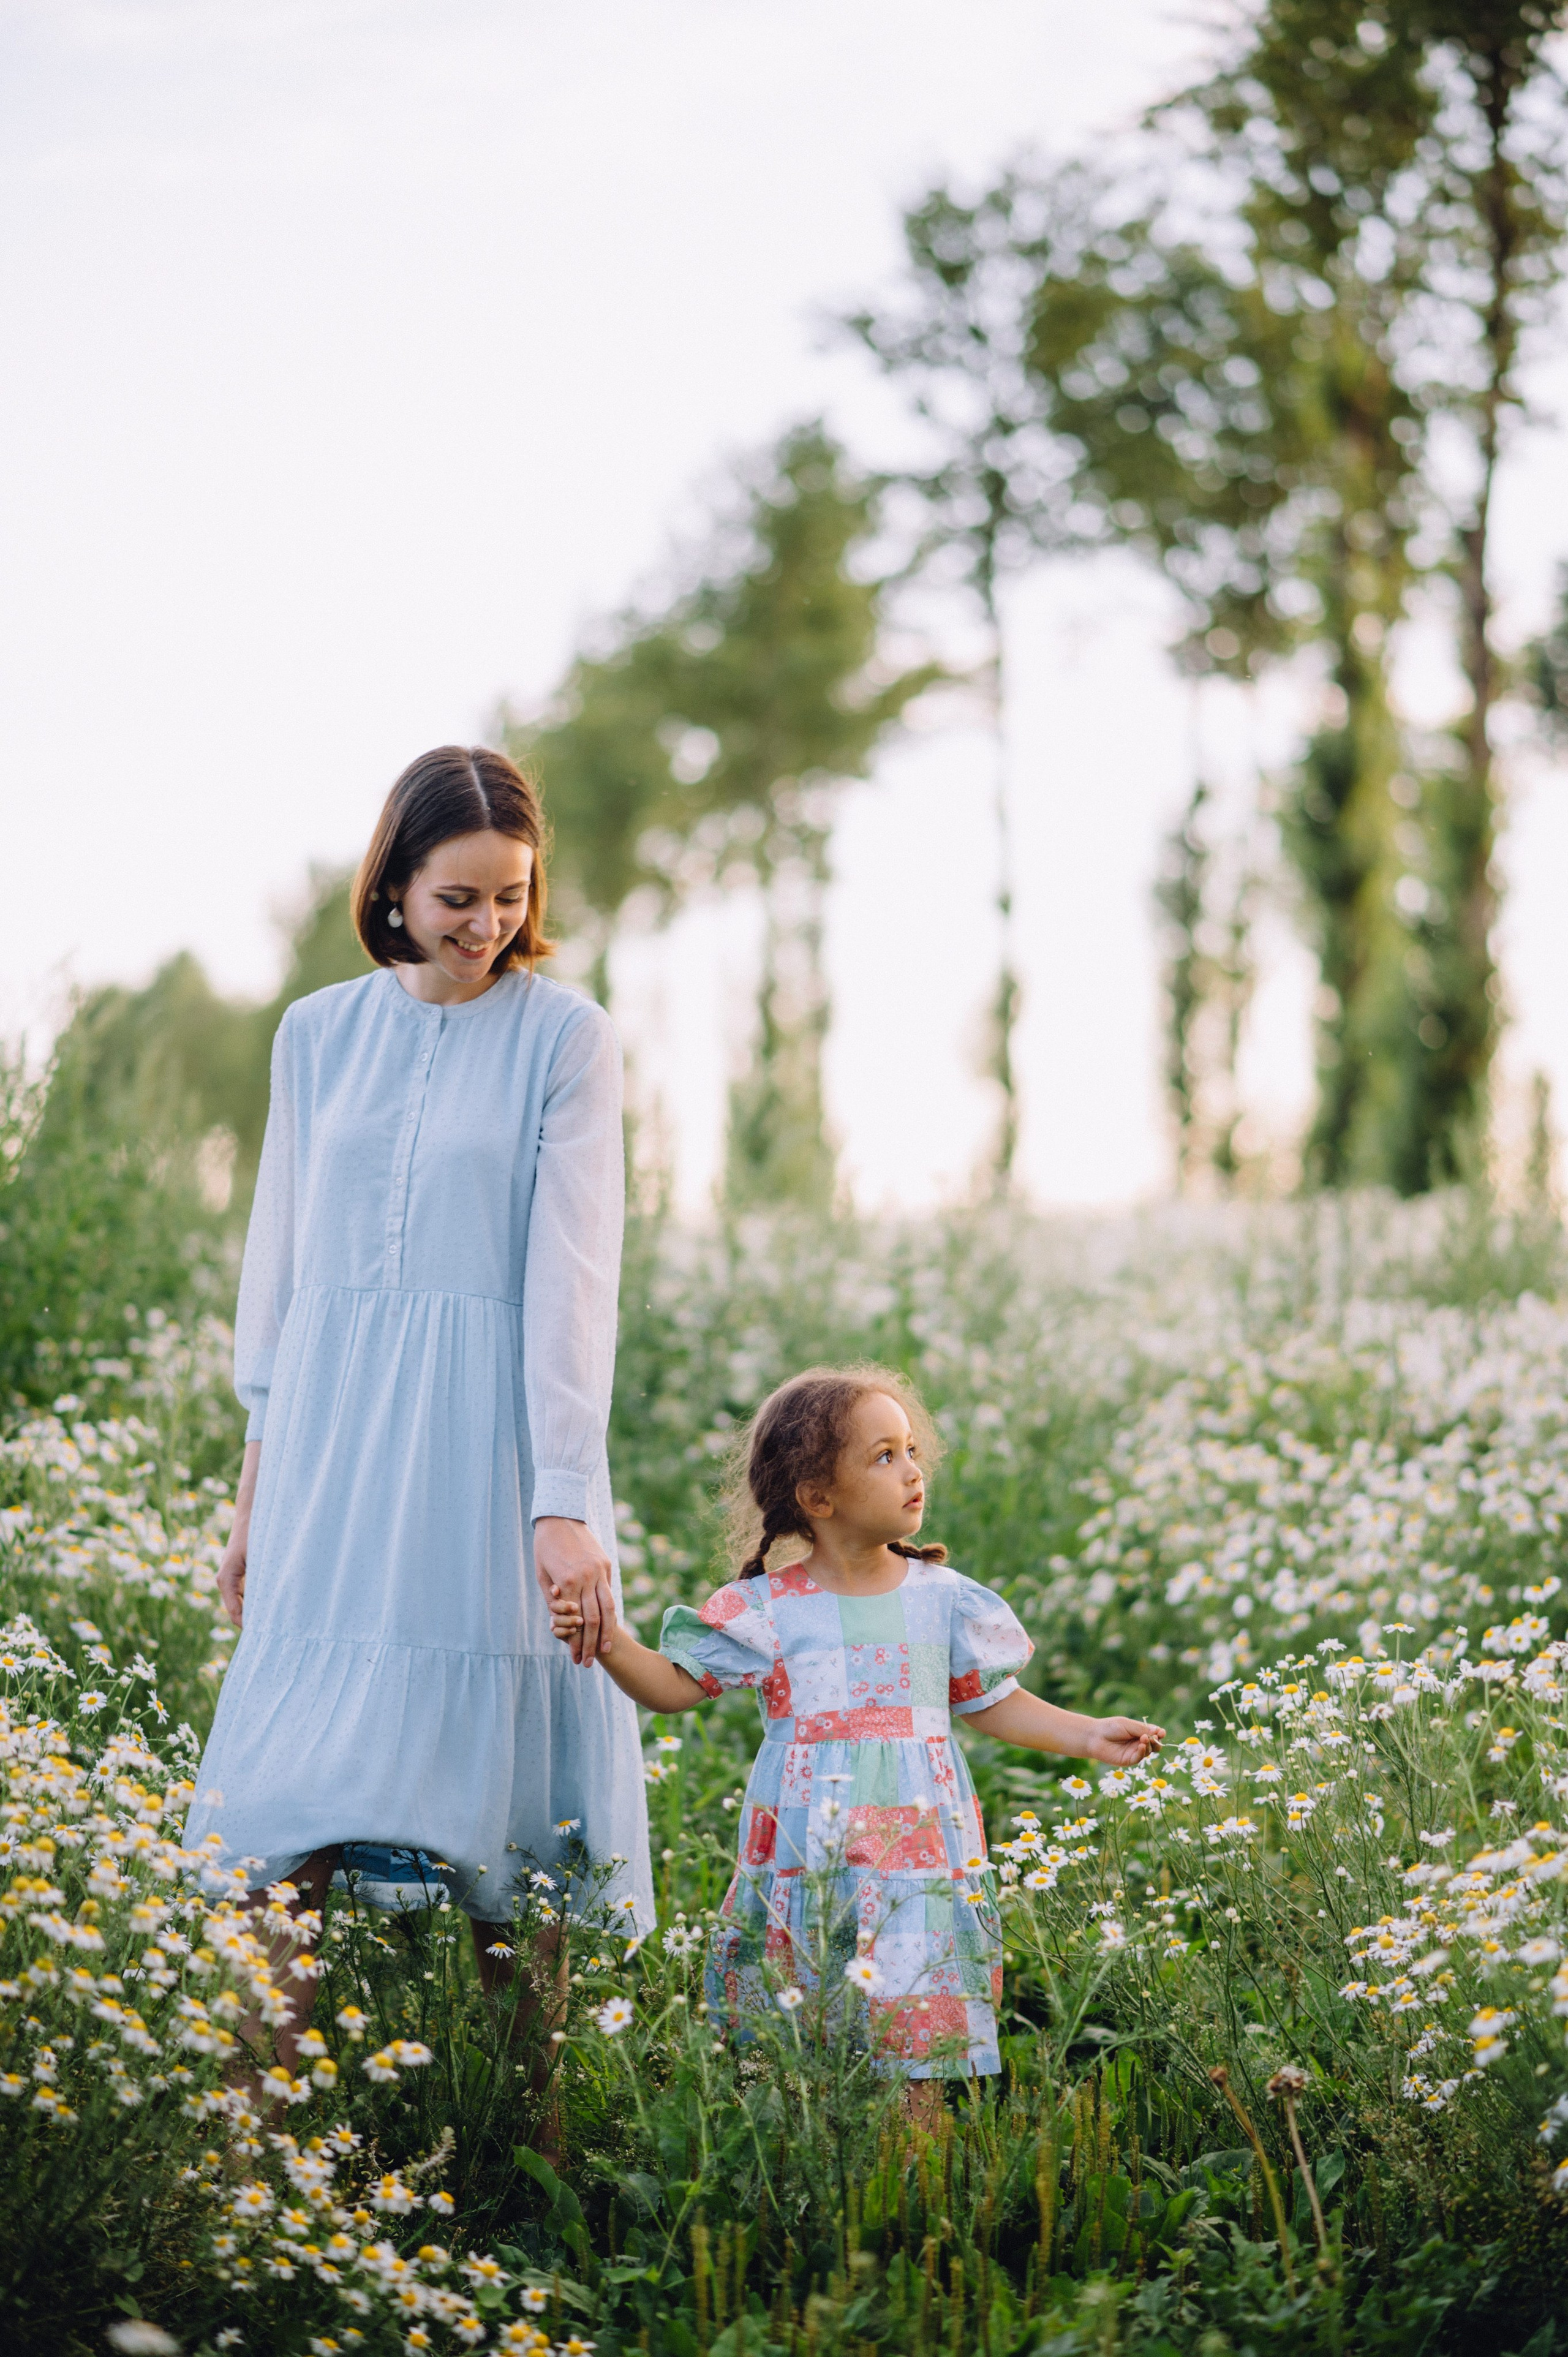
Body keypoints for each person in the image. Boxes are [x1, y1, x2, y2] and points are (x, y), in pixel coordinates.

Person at [186, 744, 652, 2077]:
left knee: (514, 1836)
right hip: (331, 1453)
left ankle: (524, 2139)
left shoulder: (566, 1036)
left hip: (491, 1451)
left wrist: (560, 1502)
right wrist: (253, 1498)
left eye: (511, 895)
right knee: (277, 1822)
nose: (486, 923)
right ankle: (255, 2151)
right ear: (393, 883)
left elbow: (573, 1287)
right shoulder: (315, 1034)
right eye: (457, 896)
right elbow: (279, 1278)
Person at [548, 1362, 1162, 2113]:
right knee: (802, 2036)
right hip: (812, 1856)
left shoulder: (943, 1599)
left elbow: (992, 1702)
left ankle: (913, 2172)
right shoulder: (770, 1607)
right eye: (884, 1455)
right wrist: (608, 1637)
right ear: (818, 1497)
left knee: (918, 2031)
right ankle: (811, 2164)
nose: (912, 1470)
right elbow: (673, 1688)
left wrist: (1090, 1735)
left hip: (918, 1858)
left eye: (911, 1451)